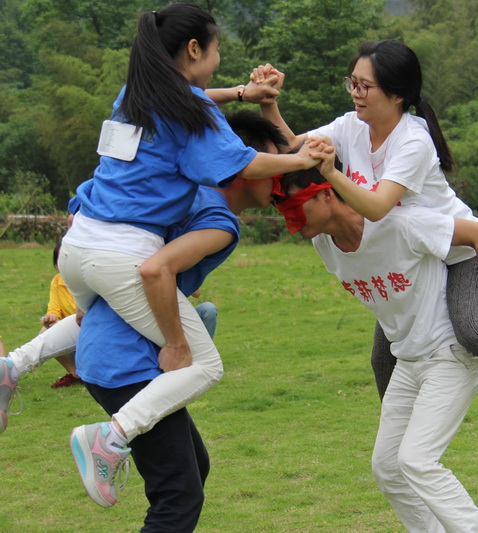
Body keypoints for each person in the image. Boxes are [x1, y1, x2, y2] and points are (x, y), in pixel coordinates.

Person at [57, 3, 317, 501]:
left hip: (78, 246)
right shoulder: (191, 115)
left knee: (93, 321)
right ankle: (110, 437)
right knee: (202, 364)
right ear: (194, 49)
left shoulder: (134, 95)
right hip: (121, 253)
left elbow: (192, 98)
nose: (217, 62)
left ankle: (17, 364)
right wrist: (299, 157)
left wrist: (241, 93)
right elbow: (241, 163)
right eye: (217, 49)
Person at [2, 111, 288, 526]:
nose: (279, 180)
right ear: (244, 167)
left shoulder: (175, 188)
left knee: (194, 467)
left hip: (102, 347)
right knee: (178, 495)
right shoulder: (217, 219)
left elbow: (80, 209)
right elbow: (154, 271)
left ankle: (16, 364)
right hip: (127, 363)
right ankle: (107, 438)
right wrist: (176, 342)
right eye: (273, 168)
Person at [276, 164, 478, 532]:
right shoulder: (324, 244)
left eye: (294, 205)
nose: (288, 219)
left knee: (417, 461)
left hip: (450, 353)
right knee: (387, 468)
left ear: (326, 193)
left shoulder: (399, 224)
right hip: (407, 358)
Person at [257, 39, 478, 401]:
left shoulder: (413, 141)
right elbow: (294, 150)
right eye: (352, 83)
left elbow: (377, 207)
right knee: (382, 358)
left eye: (365, 86)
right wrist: (269, 102)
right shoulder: (349, 127)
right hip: (410, 254)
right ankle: (397, 428)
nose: (355, 93)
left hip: (455, 251)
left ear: (397, 95)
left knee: (473, 331)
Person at [41, 243, 83, 387]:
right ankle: (75, 373)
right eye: (60, 260)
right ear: (56, 265)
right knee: (45, 332)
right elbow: (54, 310)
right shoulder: (57, 281)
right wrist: (50, 319)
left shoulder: (86, 279)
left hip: (89, 324)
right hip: (70, 327)